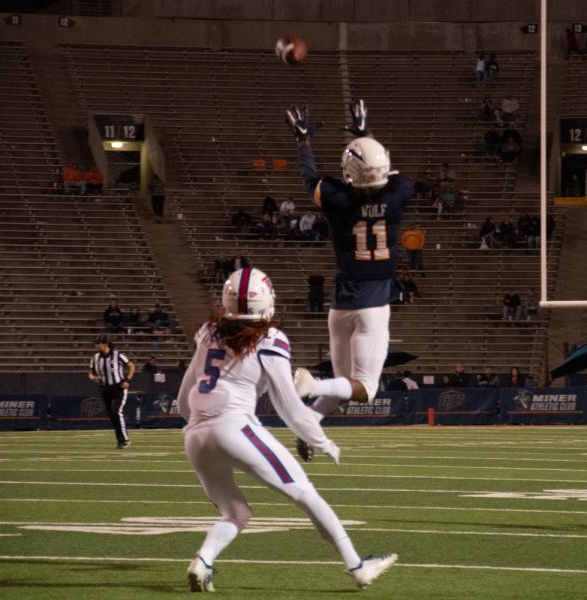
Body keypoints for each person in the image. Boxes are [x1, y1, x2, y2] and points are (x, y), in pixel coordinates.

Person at [178, 267, 397, 591]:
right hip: (234, 426)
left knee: (235, 512)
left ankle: (204, 562)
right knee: (306, 494)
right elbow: (289, 406)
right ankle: (357, 566)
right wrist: (320, 438)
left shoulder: (208, 331)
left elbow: (184, 398)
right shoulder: (270, 339)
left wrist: (200, 424)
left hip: (195, 435)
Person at [285, 100, 412, 461]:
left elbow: (310, 177)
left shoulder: (338, 200)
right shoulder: (399, 195)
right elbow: (387, 173)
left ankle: (307, 423)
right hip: (373, 308)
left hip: (340, 305)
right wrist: (364, 133)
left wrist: (303, 141)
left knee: (344, 390)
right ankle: (312, 385)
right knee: (365, 389)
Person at [88, 333, 136, 449]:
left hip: (118, 388)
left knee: (116, 412)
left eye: (97, 343)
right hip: (105, 389)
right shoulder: (95, 358)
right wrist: (92, 377)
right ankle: (120, 440)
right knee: (112, 415)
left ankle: (125, 440)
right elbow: (91, 372)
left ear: (105, 343)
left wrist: (127, 380)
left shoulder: (117, 355)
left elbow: (131, 366)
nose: (95, 346)